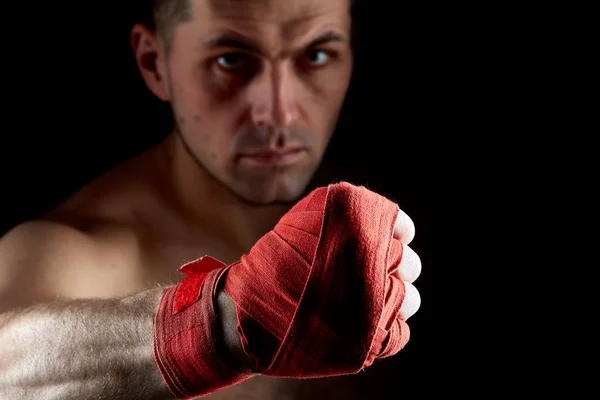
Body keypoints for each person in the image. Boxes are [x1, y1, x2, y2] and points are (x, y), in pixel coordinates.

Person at [0, 0, 422, 398]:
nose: (278, 113)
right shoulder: (68, 251)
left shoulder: (388, 219)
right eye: (231, 60)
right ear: (155, 64)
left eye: (315, 56)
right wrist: (223, 321)